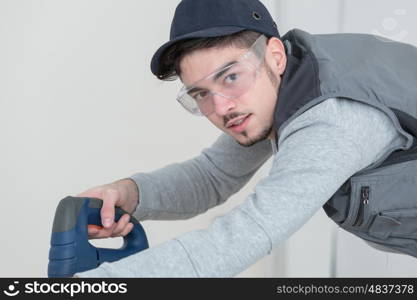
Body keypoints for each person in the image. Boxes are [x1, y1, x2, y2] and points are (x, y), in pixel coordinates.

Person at [74, 0, 417, 277]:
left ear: (275, 56)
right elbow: (213, 176)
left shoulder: (332, 118)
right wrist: (128, 195)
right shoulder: (279, 88)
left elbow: (246, 236)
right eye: (200, 94)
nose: (221, 107)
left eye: (230, 77)